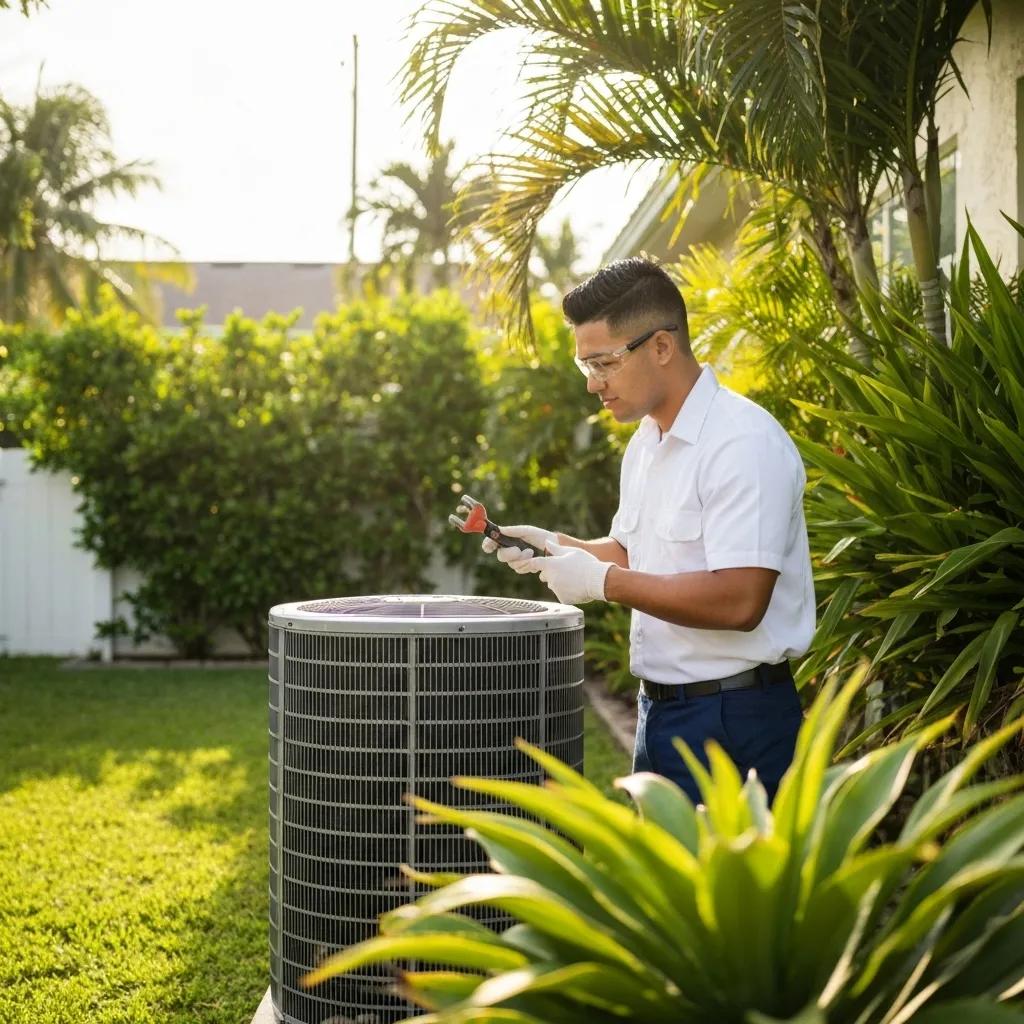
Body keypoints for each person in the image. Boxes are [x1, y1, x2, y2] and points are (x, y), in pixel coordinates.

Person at [484, 256, 815, 805]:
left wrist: (602, 582)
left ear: (661, 346)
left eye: (603, 363)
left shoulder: (743, 443)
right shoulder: (646, 442)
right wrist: (557, 548)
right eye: (583, 367)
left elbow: (739, 601)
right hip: (660, 711)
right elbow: (633, 553)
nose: (593, 385)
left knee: (726, 893)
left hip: (736, 719)